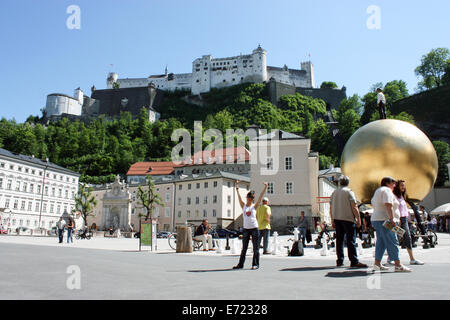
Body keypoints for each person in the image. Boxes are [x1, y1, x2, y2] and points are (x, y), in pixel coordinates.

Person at [371, 177, 411, 272]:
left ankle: (377, 264)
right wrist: (392, 218)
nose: (394, 186)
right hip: (385, 220)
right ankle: (398, 264)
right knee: (393, 240)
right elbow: (388, 204)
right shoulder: (387, 190)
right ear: (388, 183)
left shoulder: (378, 191)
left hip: (377, 219)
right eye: (393, 184)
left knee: (382, 242)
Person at [329, 176, 367, 268]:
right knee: (351, 240)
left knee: (339, 240)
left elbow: (331, 208)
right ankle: (353, 260)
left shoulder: (334, 193)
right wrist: (358, 218)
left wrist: (332, 219)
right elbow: (354, 206)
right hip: (348, 219)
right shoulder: (349, 192)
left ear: (339, 182)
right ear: (348, 183)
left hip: (337, 218)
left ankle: (340, 260)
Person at [233, 181, 268, 270]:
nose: (250, 199)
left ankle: (255, 264)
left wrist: (265, 187)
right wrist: (237, 187)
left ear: (252, 199)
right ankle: (240, 264)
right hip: (246, 229)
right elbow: (239, 198)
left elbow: (260, 197)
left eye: (252, 198)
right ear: (247, 198)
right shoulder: (244, 206)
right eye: (249, 197)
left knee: (255, 248)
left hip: (254, 228)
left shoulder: (254, 206)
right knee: (244, 248)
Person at [393, 180, 424, 265]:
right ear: (397, 187)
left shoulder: (402, 196)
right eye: (401, 185)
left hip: (404, 220)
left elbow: (404, 209)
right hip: (397, 220)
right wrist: (398, 220)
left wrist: (408, 219)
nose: (403, 187)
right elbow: (394, 209)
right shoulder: (394, 196)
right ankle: (391, 258)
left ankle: (412, 259)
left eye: (404, 185)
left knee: (406, 237)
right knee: (394, 238)